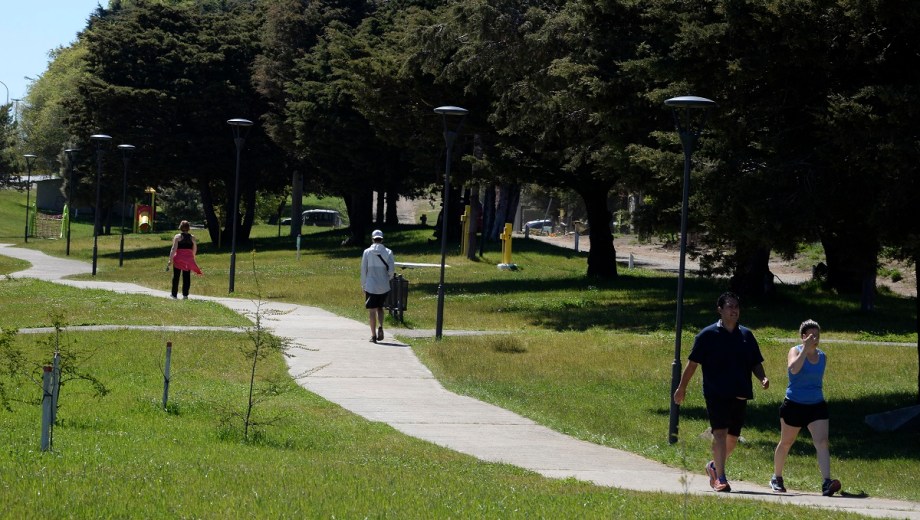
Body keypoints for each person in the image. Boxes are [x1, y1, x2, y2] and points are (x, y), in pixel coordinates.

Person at [673, 292, 769, 492]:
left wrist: (762, 378)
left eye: (736, 307)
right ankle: (721, 479)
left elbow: (755, 362)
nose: (734, 310)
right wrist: (682, 387)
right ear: (720, 310)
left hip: (740, 392)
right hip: (716, 392)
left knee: (732, 438)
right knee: (720, 433)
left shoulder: (746, 335)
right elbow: (692, 364)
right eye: (730, 306)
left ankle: (714, 467)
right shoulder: (707, 335)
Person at [770, 319, 841, 496]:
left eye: (817, 335)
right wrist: (804, 350)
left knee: (822, 442)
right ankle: (777, 477)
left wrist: (811, 349)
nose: (815, 338)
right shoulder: (794, 351)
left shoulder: (822, 356)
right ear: (803, 337)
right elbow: (793, 369)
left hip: (816, 405)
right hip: (794, 404)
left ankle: (826, 482)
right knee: (786, 442)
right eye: (811, 335)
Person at [360, 229, 394, 343]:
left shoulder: (367, 252)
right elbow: (391, 270)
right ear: (382, 239)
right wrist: (387, 279)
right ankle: (380, 326)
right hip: (383, 285)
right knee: (380, 308)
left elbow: (364, 270)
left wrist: (363, 285)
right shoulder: (388, 252)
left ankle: (373, 336)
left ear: (372, 239)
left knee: (372, 311)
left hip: (371, 285)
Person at [167, 220, 202, 299]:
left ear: (180, 227)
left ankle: (174, 295)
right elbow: (195, 248)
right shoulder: (192, 237)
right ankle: (185, 295)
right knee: (186, 277)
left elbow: (173, 249)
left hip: (178, 259)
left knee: (176, 276)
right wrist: (192, 257)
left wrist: (170, 259)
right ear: (188, 228)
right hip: (188, 260)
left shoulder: (178, 237)